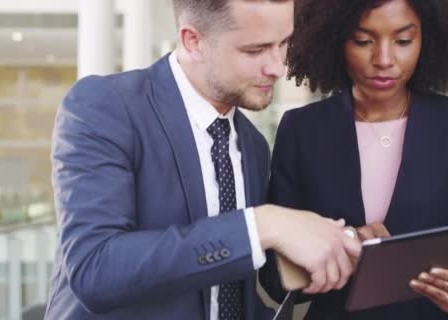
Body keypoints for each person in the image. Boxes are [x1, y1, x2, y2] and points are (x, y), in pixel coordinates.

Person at [45, 0, 361, 319]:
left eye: (284, 43)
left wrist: (338, 246)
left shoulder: (252, 145)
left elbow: (230, 291)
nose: (278, 67)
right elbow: (95, 269)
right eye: (255, 50)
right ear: (193, 41)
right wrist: (262, 224)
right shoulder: (106, 106)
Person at [259, 0, 448, 318]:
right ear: (336, 38)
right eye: (363, 41)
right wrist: (345, 243)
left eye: (403, 41)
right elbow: (275, 278)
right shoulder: (301, 131)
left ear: (426, 38)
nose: (383, 60)